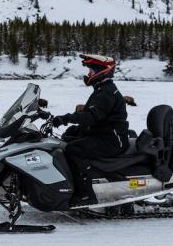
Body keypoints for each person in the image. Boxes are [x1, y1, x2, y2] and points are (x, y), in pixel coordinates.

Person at [51, 54, 129, 206]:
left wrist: (65, 119)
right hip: (105, 135)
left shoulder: (106, 92)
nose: (89, 74)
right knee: (68, 140)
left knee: (74, 150)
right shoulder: (102, 89)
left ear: (102, 71)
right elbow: (97, 119)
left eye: (91, 71)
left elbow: (91, 116)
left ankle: (85, 194)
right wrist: (75, 129)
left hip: (112, 140)